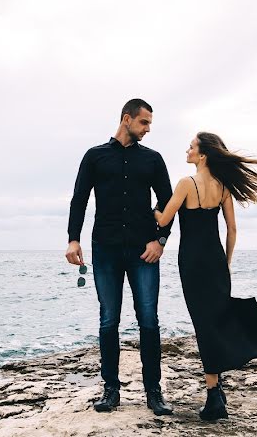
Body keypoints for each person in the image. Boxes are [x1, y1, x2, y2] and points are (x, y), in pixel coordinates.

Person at [153, 132, 257, 421]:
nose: (187, 149)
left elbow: (163, 220)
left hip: (193, 263)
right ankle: (217, 389)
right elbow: (232, 230)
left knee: (204, 325)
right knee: (215, 321)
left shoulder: (186, 183)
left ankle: (213, 396)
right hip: (217, 261)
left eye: (191, 146)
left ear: (202, 154)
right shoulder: (222, 187)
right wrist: (227, 263)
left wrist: (151, 210)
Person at [65, 98, 175, 415]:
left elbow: (168, 204)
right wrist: (73, 239)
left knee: (149, 321)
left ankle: (154, 393)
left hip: (144, 251)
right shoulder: (95, 157)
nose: (148, 129)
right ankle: (110, 390)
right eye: (144, 123)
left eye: (150, 124)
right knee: (108, 320)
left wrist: (161, 241)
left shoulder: (153, 160)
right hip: (106, 250)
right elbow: (79, 200)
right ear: (127, 119)